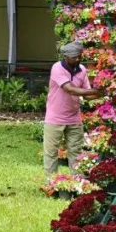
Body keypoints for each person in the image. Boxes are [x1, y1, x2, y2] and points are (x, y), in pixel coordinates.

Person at [44, 41, 105, 175]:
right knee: (51, 153)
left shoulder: (82, 70)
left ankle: (77, 183)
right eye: (74, 57)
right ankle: (51, 185)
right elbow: (70, 90)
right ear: (65, 56)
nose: (77, 59)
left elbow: (87, 95)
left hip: (74, 118)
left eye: (79, 56)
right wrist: (96, 91)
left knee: (76, 152)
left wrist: (103, 94)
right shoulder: (57, 68)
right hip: (55, 118)